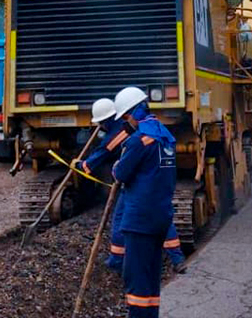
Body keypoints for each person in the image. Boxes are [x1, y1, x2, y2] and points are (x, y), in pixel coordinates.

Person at [74, 99, 186, 274]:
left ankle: (118, 261)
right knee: (163, 219)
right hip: (160, 184)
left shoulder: (133, 137)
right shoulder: (160, 131)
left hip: (138, 186)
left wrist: (84, 166)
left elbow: (113, 161)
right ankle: (177, 259)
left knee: (122, 221)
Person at [111, 87, 176, 318]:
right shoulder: (165, 137)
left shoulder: (138, 142)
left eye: (126, 117)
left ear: (134, 112)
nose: (127, 123)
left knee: (136, 280)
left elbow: (121, 174)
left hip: (139, 222)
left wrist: (116, 166)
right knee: (150, 280)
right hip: (160, 219)